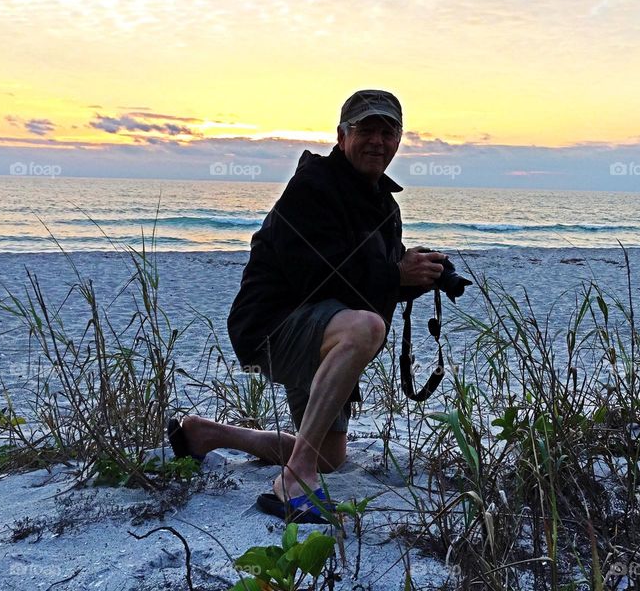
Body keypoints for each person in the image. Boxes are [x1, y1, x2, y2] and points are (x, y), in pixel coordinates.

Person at [167, 89, 447, 523]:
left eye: (387, 131)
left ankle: (204, 434)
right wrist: (395, 275)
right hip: (273, 327)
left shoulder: (384, 206)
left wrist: (420, 276)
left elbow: (368, 280)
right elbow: (317, 276)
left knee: (331, 458)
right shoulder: (313, 186)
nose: (377, 140)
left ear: (399, 140)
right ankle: (295, 479)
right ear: (341, 135)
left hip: (325, 332)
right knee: (366, 329)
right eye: (365, 129)